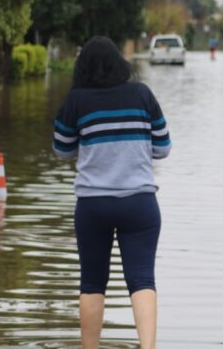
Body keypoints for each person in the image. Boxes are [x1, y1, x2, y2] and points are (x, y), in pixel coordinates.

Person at [52, 36, 170, 349]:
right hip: (140, 203)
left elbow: (61, 150)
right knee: (142, 279)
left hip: (93, 204)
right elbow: (163, 147)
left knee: (92, 283)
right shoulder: (142, 94)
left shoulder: (77, 99)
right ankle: (148, 347)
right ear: (121, 63)